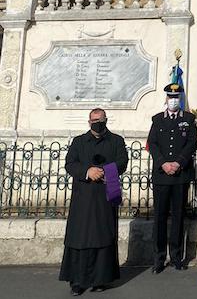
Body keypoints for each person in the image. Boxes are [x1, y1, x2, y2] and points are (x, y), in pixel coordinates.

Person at [59, 108, 128, 295]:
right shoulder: (79, 141)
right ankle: (78, 281)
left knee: (104, 235)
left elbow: (123, 161)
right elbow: (70, 163)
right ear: (89, 122)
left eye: (100, 119)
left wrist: (105, 171)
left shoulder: (117, 141)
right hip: (84, 196)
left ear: (106, 120)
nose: (97, 122)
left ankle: (101, 279)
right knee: (80, 236)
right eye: (93, 120)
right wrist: (87, 172)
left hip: (107, 193)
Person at [147, 82, 197, 273]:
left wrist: (178, 163)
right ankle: (158, 258)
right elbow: (152, 143)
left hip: (180, 175)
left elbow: (191, 143)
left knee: (178, 217)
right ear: (166, 98)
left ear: (180, 99)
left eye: (177, 97)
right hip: (161, 175)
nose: (173, 101)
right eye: (170, 97)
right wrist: (163, 163)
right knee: (159, 217)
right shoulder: (157, 120)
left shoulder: (189, 119)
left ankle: (176, 257)